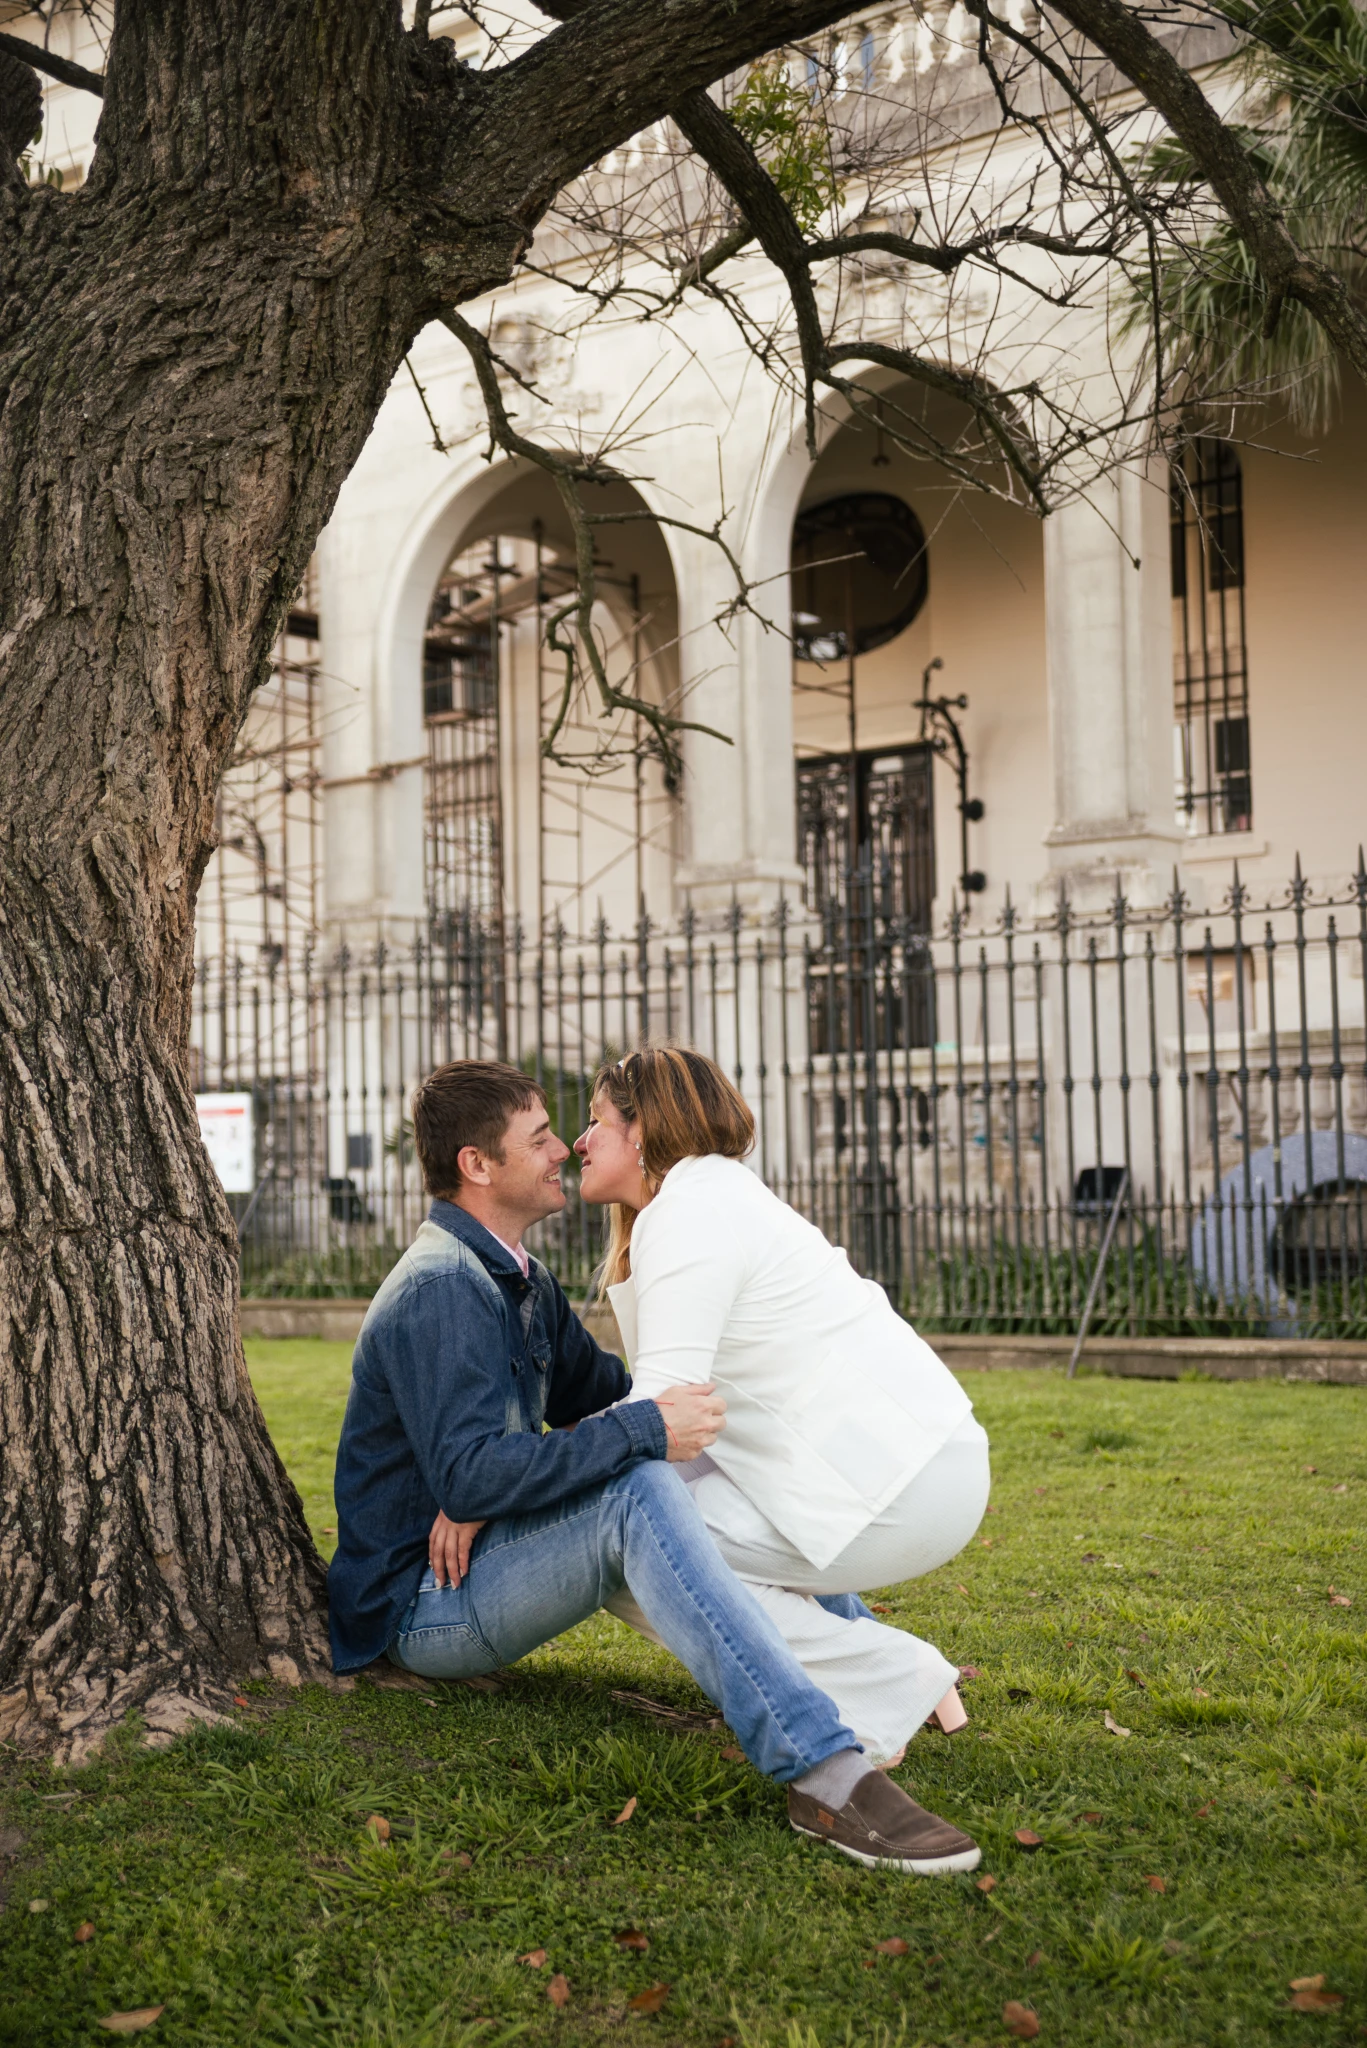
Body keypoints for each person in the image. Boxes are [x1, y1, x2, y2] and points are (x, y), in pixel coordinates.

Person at [329, 1059, 981, 1877]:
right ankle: (827, 1774)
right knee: (638, 1486)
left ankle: (878, 1673)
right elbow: (479, 1476)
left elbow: (606, 1398)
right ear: (477, 1165)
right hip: (425, 1605)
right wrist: (506, 1477)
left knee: (665, 1472)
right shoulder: (441, 1289)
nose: (564, 1147)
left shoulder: (518, 1281)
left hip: (477, 1561)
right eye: (538, 1140)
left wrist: (642, 1428)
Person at [573, 1046, 991, 1769]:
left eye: (596, 1121)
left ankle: (888, 1682)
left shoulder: (687, 1214)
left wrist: (518, 1482)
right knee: (647, 1511)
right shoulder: (719, 1195)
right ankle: (889, 1678)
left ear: (641, 1131)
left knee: (605, 1539)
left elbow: (659, 1415)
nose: (581, 1142)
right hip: (925, 1462)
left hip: (893, 1490)